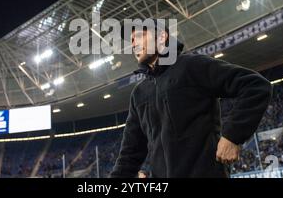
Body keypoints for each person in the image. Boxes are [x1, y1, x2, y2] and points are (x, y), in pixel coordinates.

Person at [110, 21, 272, 178]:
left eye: (139, 36)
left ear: (161, 37)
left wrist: (232, 136)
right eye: (131, 40)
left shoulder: (191, 66)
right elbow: (129, 154)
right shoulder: (139, 93)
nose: (133, 43)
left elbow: (255, 86)